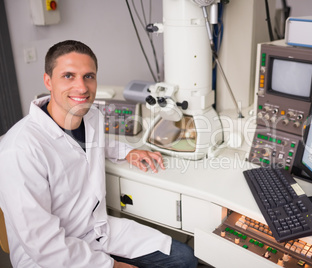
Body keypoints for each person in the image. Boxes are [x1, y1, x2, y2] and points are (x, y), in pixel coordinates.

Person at [0, 40, 198, 268]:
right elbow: (43, 246)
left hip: (95, 230)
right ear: (48, 81)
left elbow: (92, 145)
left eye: (88, 76)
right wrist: (112, 266)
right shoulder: (20, 150)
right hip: (51, 257)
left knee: (184, 259)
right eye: (68, 76)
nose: (82, 88)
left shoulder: (91, 116)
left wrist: (129, 151)